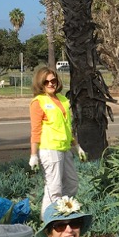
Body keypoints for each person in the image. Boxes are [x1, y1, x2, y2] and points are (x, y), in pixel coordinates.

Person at [28, 66, 87, 220]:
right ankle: (48, 220)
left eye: (53, 80)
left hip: (64, 148)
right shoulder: (38, 102)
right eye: (46, 81)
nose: (50, 84)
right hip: (49, 149)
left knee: (72, 183)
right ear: (40, 83)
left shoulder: (62, 99)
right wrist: (33, 155)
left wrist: (77, 146)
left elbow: (68, 126)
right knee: (54, 187)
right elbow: (35, 130)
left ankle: (62, 213)